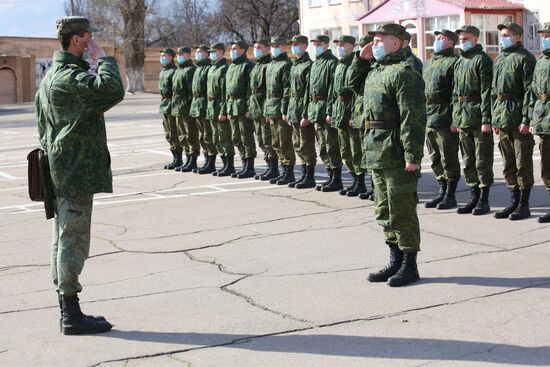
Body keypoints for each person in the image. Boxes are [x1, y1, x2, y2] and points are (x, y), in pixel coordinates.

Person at [35, 16, 125, 334]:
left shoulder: (50, 78)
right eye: (89, 38)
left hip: (61, 168)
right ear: (78, 40)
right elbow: (112, 90)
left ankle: (67, 308)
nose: (92, 42)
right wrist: (103, 59)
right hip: (74, 171)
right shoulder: (69, 78)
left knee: (62, 239)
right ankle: (71, 315)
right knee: (72, 241)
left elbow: (42, 128)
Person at [358, 23, 427, 287]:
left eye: (378, 40)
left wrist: (412, 155)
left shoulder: (405, 72)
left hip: (396, 150)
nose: (373, 44)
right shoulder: (377, 70)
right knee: (383, 210)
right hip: (376, 148)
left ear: (396, 43)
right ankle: (394, 260)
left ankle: (410, 265)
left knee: (402, 209)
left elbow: (413, 117)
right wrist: (360, 60)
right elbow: (352, 85)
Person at [492, 22, 536, 220]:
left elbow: (529, 91)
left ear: (518, 37)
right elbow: (495, 91)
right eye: (502, 35)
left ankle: (524, 204)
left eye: (507, 35)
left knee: (522, 161)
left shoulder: (525, 58)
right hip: (502, 116)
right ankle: (513, 200)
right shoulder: (500, 58)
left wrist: (526, 119)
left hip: (518, 116)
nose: (503, 38)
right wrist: (494, 117)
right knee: (508, 161)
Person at [453, 25, 494, 215]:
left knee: (482, 160)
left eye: (466, 38)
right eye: (461, 39)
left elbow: (487, 92)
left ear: (476, 39)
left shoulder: (482, 60)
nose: (463, 41)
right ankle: (473, 197)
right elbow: (455, 93)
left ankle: (484, 200)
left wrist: (486, 119)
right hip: (462, 117)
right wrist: (455, 117)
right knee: (468, 160)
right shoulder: (460, 61)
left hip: (477, 116)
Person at [423, 29, 460, 210]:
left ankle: (451, 194)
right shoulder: (429, 62)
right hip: (429, 115)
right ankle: (441, 190)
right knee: (434, 156)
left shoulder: (454, 62)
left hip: (445, 115)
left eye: (441, 38)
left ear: (451, 43)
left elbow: (456, 93)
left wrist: (455, 118)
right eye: (436, 37)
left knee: (448, 156)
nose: (437, 40)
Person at [328, 35, 366, 197]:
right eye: (338, 45)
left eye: (343, 45)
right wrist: (330, 111)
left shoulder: (356, 63)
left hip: (351, 108)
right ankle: (353, 180)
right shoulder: (339, 64)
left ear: (352, 46)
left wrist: (355, 115)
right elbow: (332, 91)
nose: (340, 47)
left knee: (356, 149)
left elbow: (358, 92)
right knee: (345, 150)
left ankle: (361, 182)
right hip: (339, 109)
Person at [302, 35, 340, 192]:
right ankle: (330, 175)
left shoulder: (332, 63)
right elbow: (308, 91)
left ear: (326, 45)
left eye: (318, 44)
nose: (315, 46)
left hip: (325, 109)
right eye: (314, 44)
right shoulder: (316, 63)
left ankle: (336, 178)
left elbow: (333, 91)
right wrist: (306, 112)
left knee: (331, 145)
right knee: (322, 146)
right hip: (315, 109)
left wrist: (330, 111)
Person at [527, 22, 550, 223]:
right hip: (544, 120)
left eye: (548, 35)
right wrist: (534, 118)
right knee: (546, 166)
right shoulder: (541, 61)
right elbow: (534, 92)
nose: (545, 38)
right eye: (544, 35)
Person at [287, 35, 316, 189]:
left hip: (302, 107)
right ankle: (303, 174)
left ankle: (309, 176)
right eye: (293, 44)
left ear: (305, 46)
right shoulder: (294, 65)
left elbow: (308, 92)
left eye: (297, 44)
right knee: (297, 143)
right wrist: (287, 110)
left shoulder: (308, 65)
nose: (294, 47)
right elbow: (289, 90)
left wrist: (306, 114)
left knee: (306, 144)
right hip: (293, 107)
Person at [264, 37, 294, 185]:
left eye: (277, 46)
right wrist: (266, 111)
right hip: (271, 106)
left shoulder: (286, 65)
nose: (274, 48)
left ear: (283, 47)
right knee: (275, 141)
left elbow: (287, 89)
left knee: (284, 141)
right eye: (272, 46)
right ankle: (282, 170)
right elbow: (267, 90)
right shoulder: (271, 65)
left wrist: (284, 109)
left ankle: (289, 172)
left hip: (280, 106)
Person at [349, 35, 375, 201]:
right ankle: (366, 185)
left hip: (379, 120)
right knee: (361, 153)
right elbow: (352, 85)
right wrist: (360, 59)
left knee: (374, 155)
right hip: (362, 115)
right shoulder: (365, 64)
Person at [248, 38, 278, 180]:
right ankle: (269, 166)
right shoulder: (256, 66)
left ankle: (274, 168)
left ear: (267, 49)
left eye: (259, 47)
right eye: (255, 47)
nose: (256, 50)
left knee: (268, 139)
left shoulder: (269, 65)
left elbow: (269, 90)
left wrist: (267, 110)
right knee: (260, 139)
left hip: (265, 106)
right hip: (255, 107)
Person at [226, 40, 256, 178]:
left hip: (243, 106)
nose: (232, 51)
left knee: (246, 137)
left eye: (235, 48)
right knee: (236, 137)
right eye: (231, 48)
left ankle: (249, 166)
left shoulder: (248, 66)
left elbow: (251, 90)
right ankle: (244, 162)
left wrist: (249, 108)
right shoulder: (231, 66)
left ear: (243, 50)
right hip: (232, 107)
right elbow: (227, 90)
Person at [188, 44, 215, 173]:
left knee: (208, 135)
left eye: (200, 52)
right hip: (197, 105)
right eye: (196, 52)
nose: (197, 54)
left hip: (205, 105)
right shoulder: (198, 68)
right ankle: (206, 161)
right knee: (201, 135)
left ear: (207, 54)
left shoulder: (208, 68)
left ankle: (211, 162)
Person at [171, 46, 198, 172]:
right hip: (177, 106)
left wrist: (190, 106)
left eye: (181, 54)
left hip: (186, 106)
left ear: (188, 55)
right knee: (182, 134)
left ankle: (192, 160)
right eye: (178, 54)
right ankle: (187, 158)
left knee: (190, 134)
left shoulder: (190, 70)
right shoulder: (178, 70)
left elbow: (191, 91)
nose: (179, 56)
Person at [206, 43, 229, 175]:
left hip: (219, 106)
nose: (211, 54)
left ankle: (229, 165)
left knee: (224, 137)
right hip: (211, 107)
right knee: (216, 137)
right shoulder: (212, 68)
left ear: (221, 52)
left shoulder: (223, 69)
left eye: (214, 51)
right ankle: (224, 164)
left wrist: (223, 111)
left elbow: (224, 93)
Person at [158, 47, 181, 169]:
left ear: (171, 58)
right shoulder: (163, 71)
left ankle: (179, 159)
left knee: (174, 132)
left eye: (164, 56)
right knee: (168, 133)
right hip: (164, 104)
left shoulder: (174, 71)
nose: (161, 58)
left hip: (171, 104)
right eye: (161, 56)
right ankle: (175, 157)